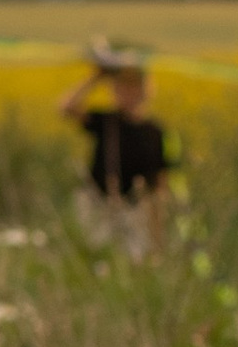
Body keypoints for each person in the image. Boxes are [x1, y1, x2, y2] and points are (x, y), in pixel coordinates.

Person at [60, 44, 172, 245]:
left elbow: (159, 180)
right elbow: (67, 108)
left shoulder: (155, 131)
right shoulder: (106, 120)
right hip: (98, 205)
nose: (128, 93)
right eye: (122, 87)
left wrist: (158, 228)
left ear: (145, 91)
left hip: (135, 210)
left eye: (134, 87)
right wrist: (97, 77)